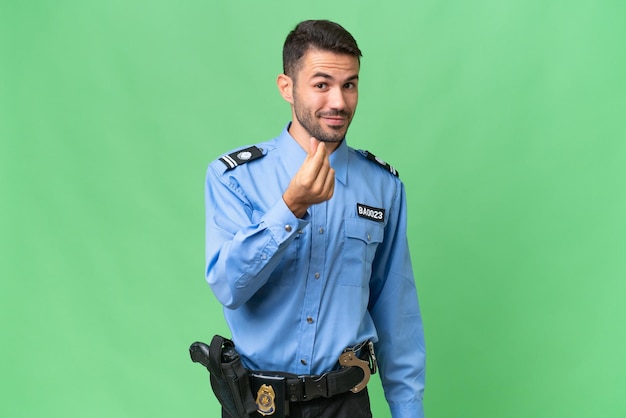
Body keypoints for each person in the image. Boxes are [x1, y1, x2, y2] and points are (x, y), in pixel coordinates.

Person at [204, 19, 425, 418]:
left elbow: (397, 313)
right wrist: (290, 208)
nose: (338, 102)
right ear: (287, 87)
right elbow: (228, 287)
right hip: (259, 404)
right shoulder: (235, 178)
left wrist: (408, 411)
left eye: (350, 84)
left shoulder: (383, 187)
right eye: (322, 84)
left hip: (347, 403)